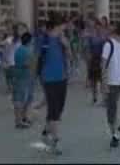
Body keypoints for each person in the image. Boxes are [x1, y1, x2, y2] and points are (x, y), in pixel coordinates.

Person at [37, 13, 70, 155]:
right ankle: (55, 141)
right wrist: (35, 77)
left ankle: (46, 131)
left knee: (58, 110)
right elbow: (35, 58)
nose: (65, 27)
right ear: (57, 25)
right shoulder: (43, 39)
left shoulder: (61, 39)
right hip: (48, 79)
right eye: (63, 25)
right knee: (54, 111)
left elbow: (70, 56)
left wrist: (67, 45)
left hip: (62, 78)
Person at [13, 32, 34, 129]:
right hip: (26, 76)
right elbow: (27, 64)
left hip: (19, 76)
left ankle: (23, 118)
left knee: (23, 99)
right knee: (21, 99)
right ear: (29, 41)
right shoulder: (28, 51)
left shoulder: (18, 50)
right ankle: (19, 120)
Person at [87, 20, 105, 104]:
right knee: (94, 81)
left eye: (99, 27)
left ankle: (104, 98)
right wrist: (89, 58)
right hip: (93, 60)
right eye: (96, 27)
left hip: (101, 60)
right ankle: (94, 97)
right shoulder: (92, 37)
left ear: (101, 27)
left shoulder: (104, 38)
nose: (97, 28)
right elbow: (89, 49)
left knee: (102, 80)